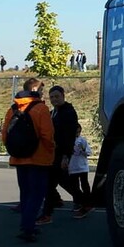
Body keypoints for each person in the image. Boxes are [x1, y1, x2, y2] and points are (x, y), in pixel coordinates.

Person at [2, 78, 54, 242]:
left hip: (19, 158)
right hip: (38, 158)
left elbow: (5, 134)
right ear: (34, 89)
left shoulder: (13, 109)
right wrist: (51, 150)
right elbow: (47, 135)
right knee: (37, 195)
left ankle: (27, 224)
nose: (43, 93)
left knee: (25, 194)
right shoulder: (41, 108)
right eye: (41, 90)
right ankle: (28, 228)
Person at [39, 85, 81, 225]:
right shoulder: (53, 112)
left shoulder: (68, 112)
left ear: (63, 96)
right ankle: (83, 201)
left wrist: (65, 156)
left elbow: (69, 136)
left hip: (61, 153)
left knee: (49, 184)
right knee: (63, 181)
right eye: (52, 97)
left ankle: (47, 214)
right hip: (53, 152)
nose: (54, 99)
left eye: (57, 96)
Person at [69, 124, 93, 219]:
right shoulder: (69, 140)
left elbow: (88, 152)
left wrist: (83, 149)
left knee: (85, 185)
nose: (77, 134)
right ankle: (80, 202)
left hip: (82, 167)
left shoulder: (82, 140)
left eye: (79, 132)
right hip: (73, 167)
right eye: (76, 132)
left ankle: (87, 203)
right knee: (74, 187)